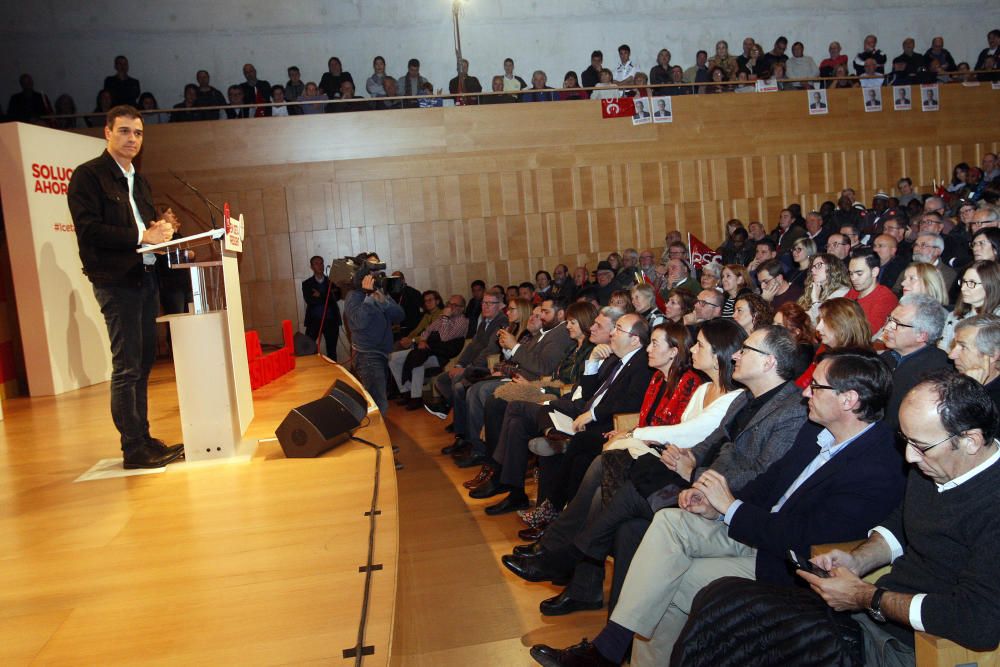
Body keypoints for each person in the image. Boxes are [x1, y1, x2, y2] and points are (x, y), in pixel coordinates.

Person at [530, 342, 905, 667]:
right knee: (669, 523)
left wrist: (729, 507)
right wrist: (715, 505)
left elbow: (807, 537)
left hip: (786, 561)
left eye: (816, 387)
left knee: (667, 581)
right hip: (755, 529)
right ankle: (608, 650)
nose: (806, 393)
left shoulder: (878, 465)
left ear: (849, 400)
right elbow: (767, 483)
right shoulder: (818, 431)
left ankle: (607, 649)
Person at [67, 105, 183, 469]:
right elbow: (89, 230)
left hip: (146, 277)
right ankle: (132, 448)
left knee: (144, 363)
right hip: (116, 281)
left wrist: (162, 228)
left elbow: (145, 228)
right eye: (124, 131)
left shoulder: (140, 180)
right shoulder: (88, 177)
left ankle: (144, 437)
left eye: (138, 133)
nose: (132, 139)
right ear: (107, 132)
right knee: (128, 366)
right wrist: (142, 235)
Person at [343, 255, 405, 416]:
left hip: (383, 353)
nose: (376, 275)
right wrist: (369, 299)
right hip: (367, 356)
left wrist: (384, 302)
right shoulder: (354, 296)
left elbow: (399, 316)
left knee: (376, 403)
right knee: (378, 405)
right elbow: (358, 323)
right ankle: (380, 441)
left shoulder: (379, 292)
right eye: (372, 270)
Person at [940, 260, 1000, 351]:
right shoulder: (953, 316)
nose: (963, 288)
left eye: (972, 283)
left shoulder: (997, 320)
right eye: (964, 282)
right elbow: (942, 350)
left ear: (990, 286)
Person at [846, 248, 898, 333]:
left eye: (859, 274)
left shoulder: (886, 298)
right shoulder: (853, 292)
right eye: (851, 273)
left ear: (874, 272)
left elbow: (867, 332)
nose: (853, 278)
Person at [302, 255, 341, 358]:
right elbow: (310, 300)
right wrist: (327, 297)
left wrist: (320, 295)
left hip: (331, 321)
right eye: (316, 264)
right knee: (308, 349)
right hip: (314, 321)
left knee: (332, 351)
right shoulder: (307, 284)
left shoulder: (332, 282)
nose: (320, 266)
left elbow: (336, 297)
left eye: (321, 263)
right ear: (311, 267)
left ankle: (333, 372)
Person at [799, 253, 851, 321]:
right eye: (812, 267)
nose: (812, 270)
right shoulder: (819, 290)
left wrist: (815, 300)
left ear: (832, 267)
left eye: (818, 265)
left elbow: (823, 322)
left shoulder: (842, 293)